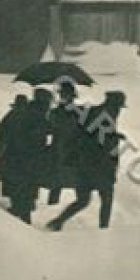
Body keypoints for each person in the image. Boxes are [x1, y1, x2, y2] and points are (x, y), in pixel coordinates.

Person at [47, 90, 126, 232]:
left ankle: (58, 222)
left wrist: (114, 135)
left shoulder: (95, 112)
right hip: (98, 166)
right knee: (106, 199)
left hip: (84, 166)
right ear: (114, 105)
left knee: (83, 200)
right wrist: (113, 139)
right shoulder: (105, 115)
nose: (119, 110)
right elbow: (98, 141)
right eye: (119, 107)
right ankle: (104, 231)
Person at [0, 90, 50, 222]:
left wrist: (2, 157)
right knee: (25, 199)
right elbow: (44, 133)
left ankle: (19, 225)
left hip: (14, 163)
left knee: (19, 197)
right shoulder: (36, 117)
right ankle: (22, 229)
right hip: (26, 164)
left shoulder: (16, 114)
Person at [45, 80, 82, 205]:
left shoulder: (78, 113)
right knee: (56, 181)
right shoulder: (55, 112)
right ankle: (52, 206)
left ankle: (79, 204)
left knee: (75, 180)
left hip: (71, 150)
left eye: (67, 95)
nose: (65, 97)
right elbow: (48, 128)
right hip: (59, 149)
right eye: (63, 95)